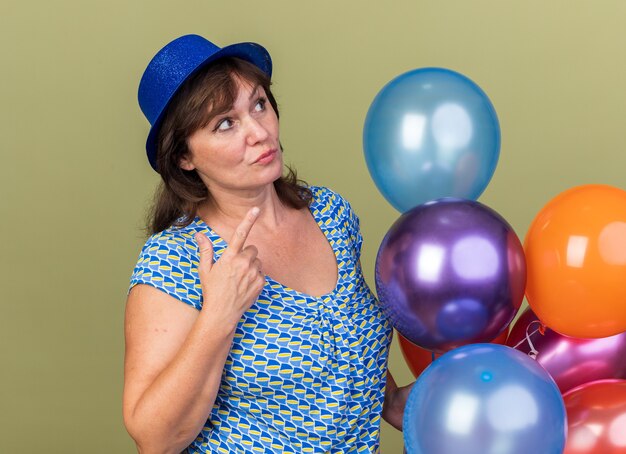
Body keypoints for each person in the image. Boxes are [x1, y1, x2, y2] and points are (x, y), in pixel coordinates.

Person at [123, 34, 411, 454]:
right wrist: (220, 313)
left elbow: (334, 338)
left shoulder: (332, 215)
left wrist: (389, 401)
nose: (259, 132)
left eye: (259, 104)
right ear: (184, 156)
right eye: (225, 123)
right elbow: (154, 440)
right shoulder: (176, 259)